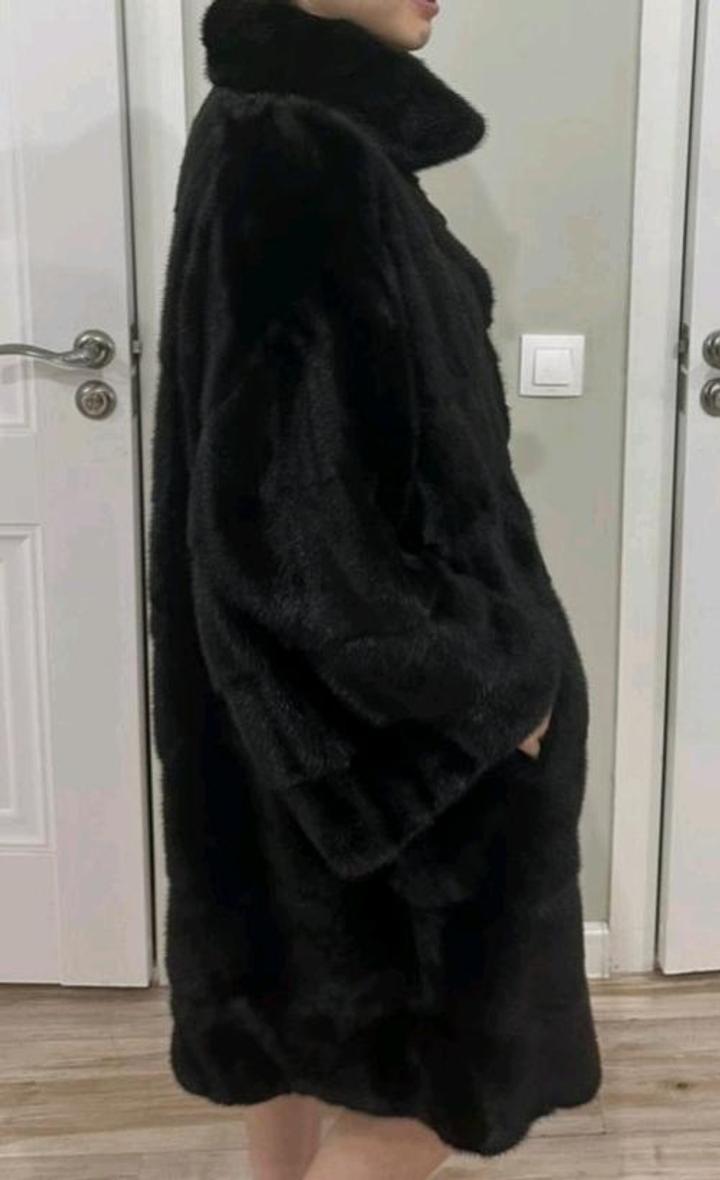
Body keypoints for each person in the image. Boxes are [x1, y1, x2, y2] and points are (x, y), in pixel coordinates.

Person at [148, 0, 603, 1177]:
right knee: (427, 1082)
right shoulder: (305, 152)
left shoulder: (260, 126)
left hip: (296, 724)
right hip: (386, 744)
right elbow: (281, 514)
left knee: (305, 1030)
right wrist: (483, 690)